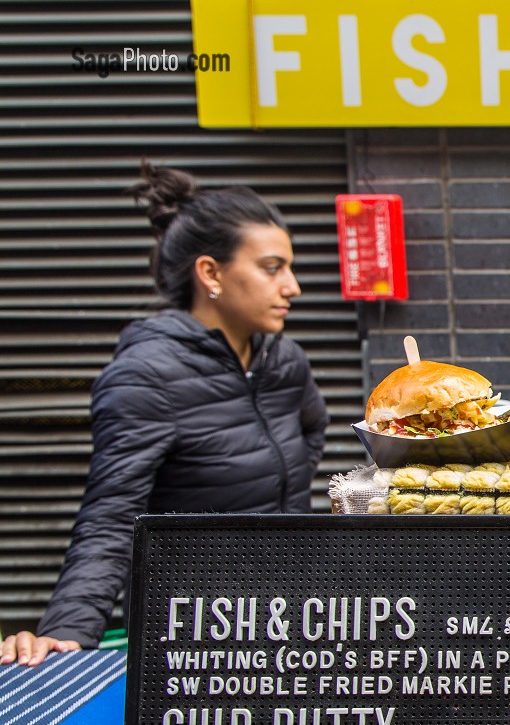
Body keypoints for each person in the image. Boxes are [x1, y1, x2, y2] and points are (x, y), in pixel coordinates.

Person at [0, 164, 327, 667]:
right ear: (211, 273)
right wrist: (67, 632)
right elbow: (111, 519)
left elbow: (309, 435)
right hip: (191, 635)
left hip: (290, 615)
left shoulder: (284, 363)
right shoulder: (146, 376)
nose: (293, 287)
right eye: (272, 267)